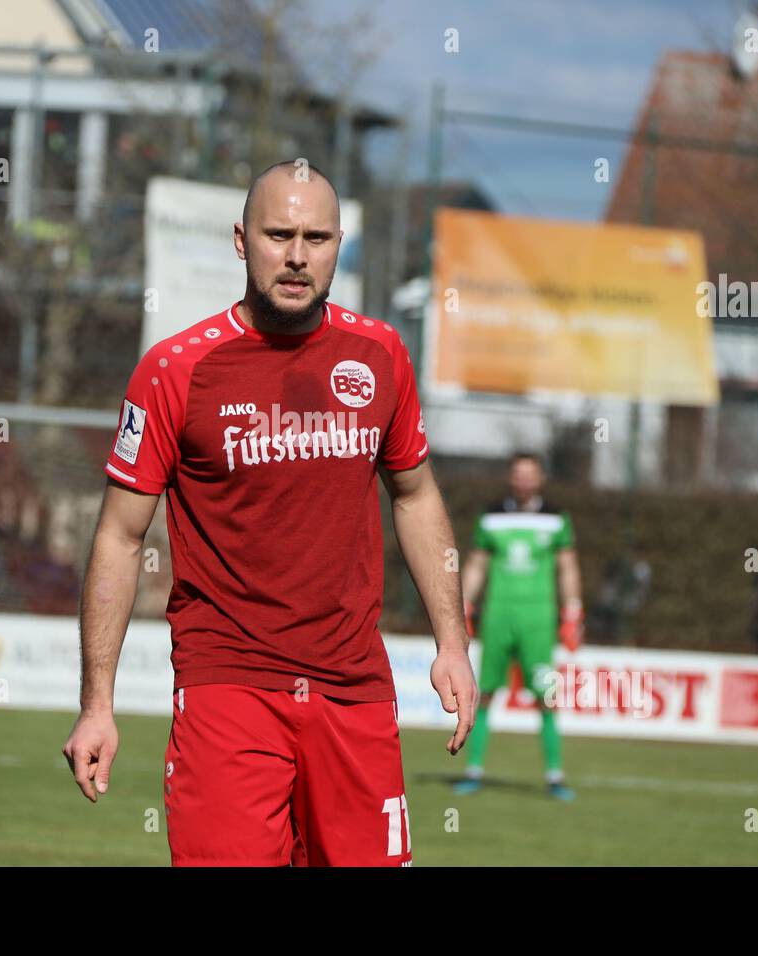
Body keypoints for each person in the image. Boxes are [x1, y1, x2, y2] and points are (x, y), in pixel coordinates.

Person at [62, 160, 478, 866]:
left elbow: (415, 495)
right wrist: (97, 703)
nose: (295, 255)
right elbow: (120, 536)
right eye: (277, 233)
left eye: (315, 237)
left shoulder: (380, 356)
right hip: (230, 689)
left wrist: (452, 640)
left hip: (355, 692)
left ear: (339, 243)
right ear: (240, 239)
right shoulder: (174, 370)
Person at [458, 453, 583, 801]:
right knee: (484, 693)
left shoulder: (556, 519)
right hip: (498, 616)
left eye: (530, 475)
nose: (524, 481)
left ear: (540, 478)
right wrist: (464, 604)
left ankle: (555, 776)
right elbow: (477, 564)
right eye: (518, 474)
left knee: (546, 695)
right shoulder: (491, 516)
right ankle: (473, 771)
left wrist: (573, 610)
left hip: (538, 620)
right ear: (511, 477)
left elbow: (567, 567)